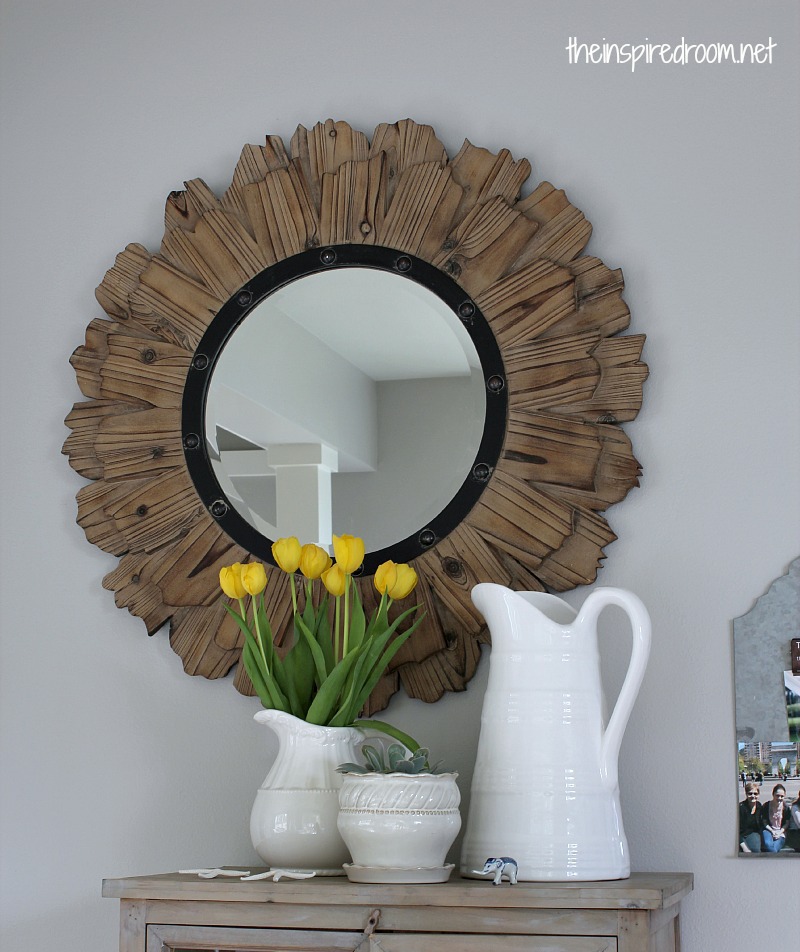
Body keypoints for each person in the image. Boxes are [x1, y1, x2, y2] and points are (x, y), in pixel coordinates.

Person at [760, 783, 790, 852]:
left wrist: (779, 833)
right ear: (773, 795)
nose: (779, 798)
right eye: (777, 795)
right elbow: (764, 822)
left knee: (774, 848)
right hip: (768, 830)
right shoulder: (766, 805)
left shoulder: (786, 808)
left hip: (781, 831)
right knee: (768, 844)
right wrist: (772, 831)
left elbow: (786, 824)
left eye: (782, 796)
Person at [738, 782, 763, 852]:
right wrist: (744, 847)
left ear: (758, 795)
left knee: (755, 850)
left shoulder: (759, 806)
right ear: (746, 794)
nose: (753, 796)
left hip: (752, 834)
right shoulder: (741, 808)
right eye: (750, 793)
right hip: (740, 835)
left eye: (755, 793)